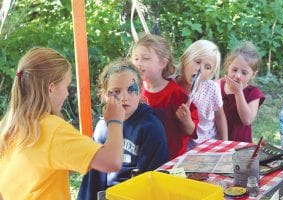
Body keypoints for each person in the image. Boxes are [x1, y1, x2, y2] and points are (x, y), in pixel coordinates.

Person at [0, 47, 125, 200]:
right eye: (66, 86)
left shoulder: (7, 127)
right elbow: (111, 162)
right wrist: (115, 120)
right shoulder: (51, 129)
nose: (67, 93)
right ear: (51, 88)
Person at [77, 59, 169, 200]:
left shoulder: (151, 128)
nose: (124, 97)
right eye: (116, 91)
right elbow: (93, 179)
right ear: (104, 95)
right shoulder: (102, 128)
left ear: (140, 92)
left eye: (131, 90)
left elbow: (151, 179)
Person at [131, 33, 199, 159]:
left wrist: (186, 120)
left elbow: (191, 130)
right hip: (144, 158)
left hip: (170, 160)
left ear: (162, 63)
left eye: (145, 58)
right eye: (135, 58)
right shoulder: (133, 90)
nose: (138, 63)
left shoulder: (175, 94)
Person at [175, 40, 228, 148]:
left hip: (208, 143)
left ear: (211, 73)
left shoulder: (212, 88)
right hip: (181, 147)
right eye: (197, 62)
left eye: (207, 67)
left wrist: (224, 144)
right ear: (185, 59)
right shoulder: (172, 86)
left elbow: (220, 116)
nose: (200, 69)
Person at [220, 41, 265, 142]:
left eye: (244, 72)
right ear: (228, 66)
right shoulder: (218, 86)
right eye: (234, 70)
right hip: (218, 141)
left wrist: (238, 93)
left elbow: (247, 120)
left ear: (253, 74)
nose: (238, 76)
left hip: (241, 144)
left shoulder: (253, 93)